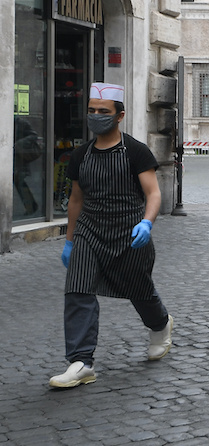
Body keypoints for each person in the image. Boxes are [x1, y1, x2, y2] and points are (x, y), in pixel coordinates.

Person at [49, 83, 173, 389]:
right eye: (91, 111)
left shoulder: (136, 151)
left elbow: (153, 193)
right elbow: (76, 200)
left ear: (119, 116)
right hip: (89, 231)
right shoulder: (80, 155)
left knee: (138, 289)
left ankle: (160, 324)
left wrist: (147, 222)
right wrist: (69, 240)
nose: (95, 116)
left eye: (103, 112)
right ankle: (81, 363)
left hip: (129, 230)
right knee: (77, 290)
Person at [13, 115, 41, 215]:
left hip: (19, 157)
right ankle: (31, 206)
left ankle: (31, 206)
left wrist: (19, 144)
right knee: (19, 183)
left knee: (19, 182)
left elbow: (33, 136)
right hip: (13, 156)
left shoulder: (21, 122)